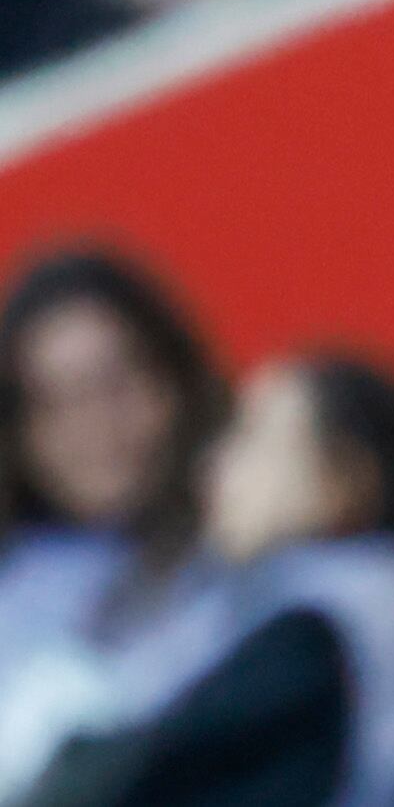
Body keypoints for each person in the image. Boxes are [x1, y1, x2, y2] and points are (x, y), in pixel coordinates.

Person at [17, 352, 394, 807]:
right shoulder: (341, 612)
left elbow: (141, 770)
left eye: (252, 436)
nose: (214, 465)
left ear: (343, 480)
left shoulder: (314, 637)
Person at [0, 250, 227, 724]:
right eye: (53, 403)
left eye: (115, 384)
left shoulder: (257, 565)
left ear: (177, 383)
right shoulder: (17, 591)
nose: (94, 426)